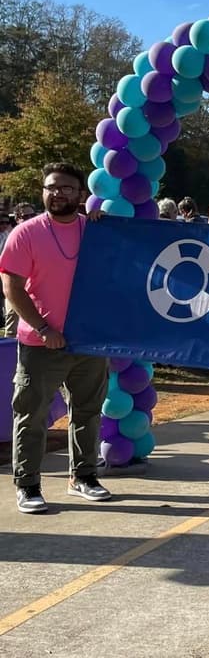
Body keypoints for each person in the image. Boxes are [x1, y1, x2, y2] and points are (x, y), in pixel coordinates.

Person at [2, 163, 111, 513]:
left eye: (66, 188)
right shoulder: (26, 233)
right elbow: (12, 287)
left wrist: (110, 225)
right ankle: (28, 484)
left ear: (81, 195)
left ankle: (83, 476)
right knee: (31, 415)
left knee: (88, 411)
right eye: (51, 187)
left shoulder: (95, 230)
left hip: (89, 342)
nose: (57, 193)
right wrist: (43, 328)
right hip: (41, 345)